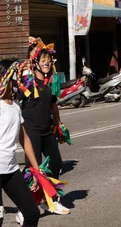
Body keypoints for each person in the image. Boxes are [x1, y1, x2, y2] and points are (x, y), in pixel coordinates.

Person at [15, 43, 70, 216]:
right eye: (43, 60)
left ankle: (50, 200)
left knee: (56, 163)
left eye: (49, 61)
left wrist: (58, 124)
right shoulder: (28, 83)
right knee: (33, 170)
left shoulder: (50, 83)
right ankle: (24, 208)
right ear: (36, 63)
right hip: (31, 131)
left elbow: (54, 106)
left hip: (47, 130)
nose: (47, 63)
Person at [0, 60, 41, 227]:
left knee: (32, 214)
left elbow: (24, 139)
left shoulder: (16, 107)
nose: (22, 80)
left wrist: (36, 171)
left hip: (11, 170)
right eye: (18, 76)